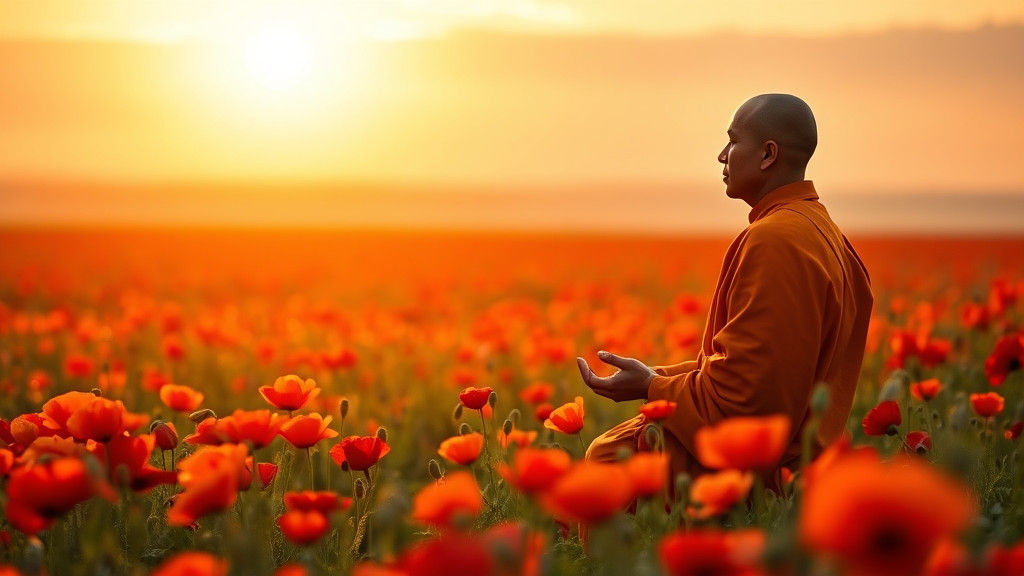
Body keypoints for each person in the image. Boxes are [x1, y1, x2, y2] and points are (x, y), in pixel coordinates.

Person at [576, 94, 873, 490]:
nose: (722, 155)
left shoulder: (776, 240)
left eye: (733, 141)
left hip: (766, 481)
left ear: (768, 154)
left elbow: (747, 403)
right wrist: (655, 376)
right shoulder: (825, 233)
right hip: (808, 465)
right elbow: (753, 371)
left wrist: (651, 387)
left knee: (608, 461)